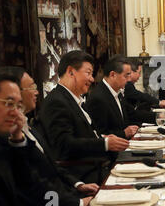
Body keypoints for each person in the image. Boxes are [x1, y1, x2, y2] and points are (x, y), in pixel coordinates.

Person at [0, 66, 98, 206]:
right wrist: (76, 204)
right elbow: (32, 187)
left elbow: (51, 166)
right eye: (31, 87)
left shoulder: (26, 129)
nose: (36, 92)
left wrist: (77, 184)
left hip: (60, 200)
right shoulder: (3, 139)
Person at [0, 70, 73, 206]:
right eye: (9, 103)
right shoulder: (0, 142)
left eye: (17, 105)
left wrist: (17, 139)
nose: (15, 112)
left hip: (54, 203)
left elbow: (34, 178)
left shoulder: (20, 133)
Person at [37, 50, 129, 184]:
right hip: (83, 175)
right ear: (70, 72)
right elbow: (64, 145)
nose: (92, 79)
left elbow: (83, 134)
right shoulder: (56, 102)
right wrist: (104, 144)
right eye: (88, 73)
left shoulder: (75, 99)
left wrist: (103, 138)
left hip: (97, 167)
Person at [85, 55, 139, 139]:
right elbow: (100, 134)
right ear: (113, 74)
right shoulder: (98, 98)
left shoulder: (117, 92)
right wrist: (124, 133)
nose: (128, 80)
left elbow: (132, 114)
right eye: (126, 75)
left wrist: (158, 116)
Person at [124, 58, 165, 126]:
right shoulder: (127, 86)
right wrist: (159, 103)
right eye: (139, 72)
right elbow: (140, 96)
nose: (140, 76)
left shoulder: (128, 86)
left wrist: (158, 114)